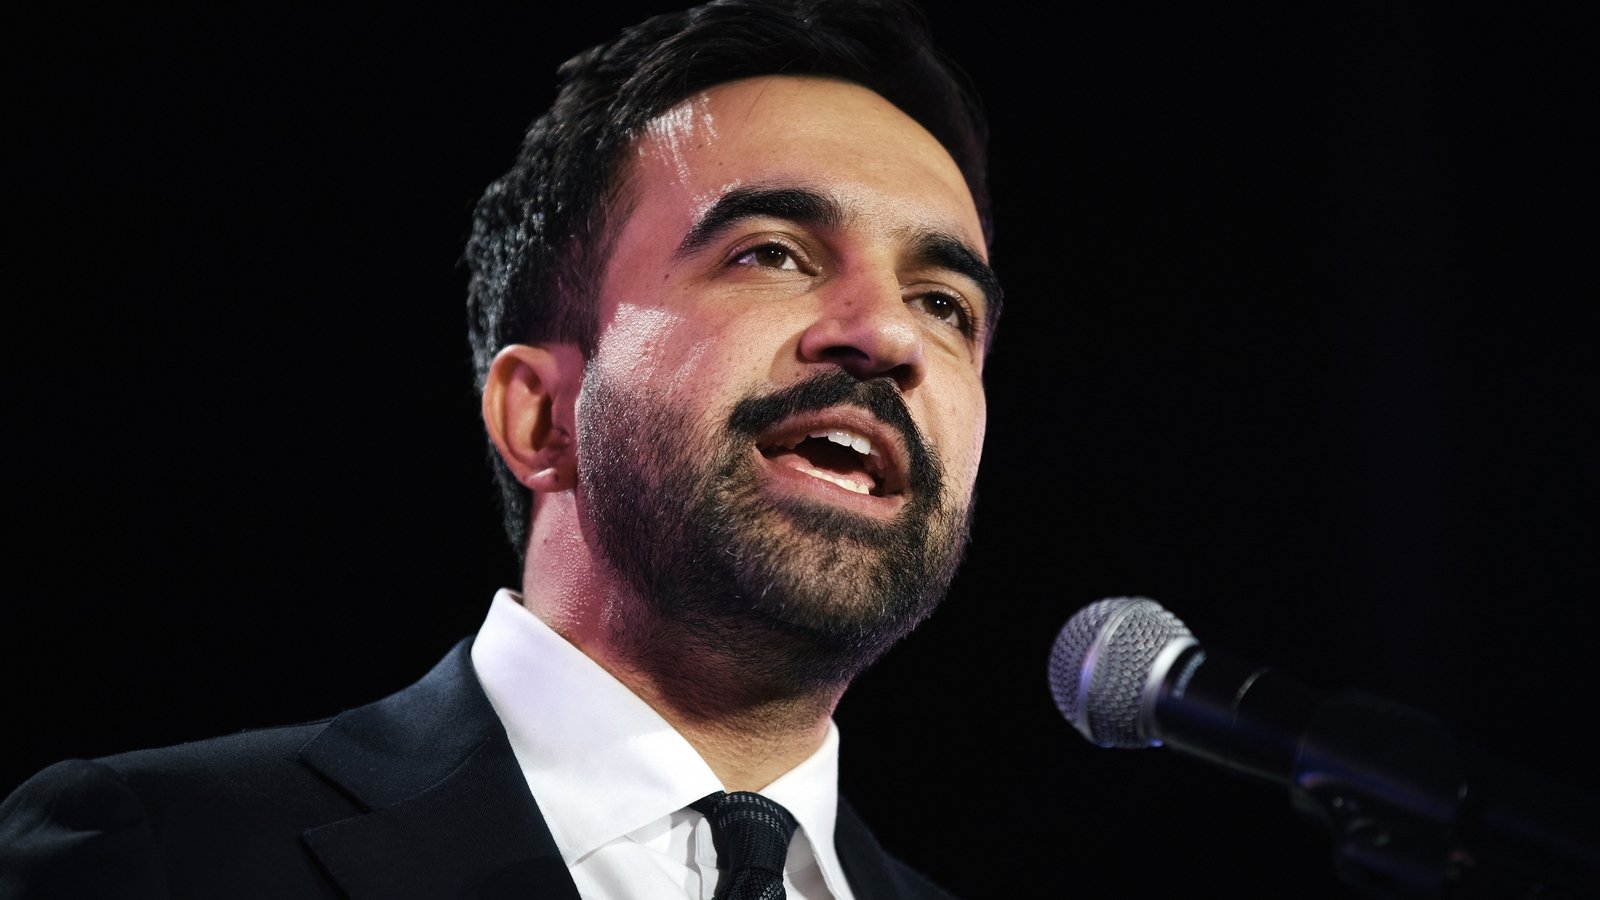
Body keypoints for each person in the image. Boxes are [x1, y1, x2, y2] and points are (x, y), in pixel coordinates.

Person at [0, 0, 1002, 896]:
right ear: (542, 416)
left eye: (944, 304)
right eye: (773, 253)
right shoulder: (165, 853)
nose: (889, 335)